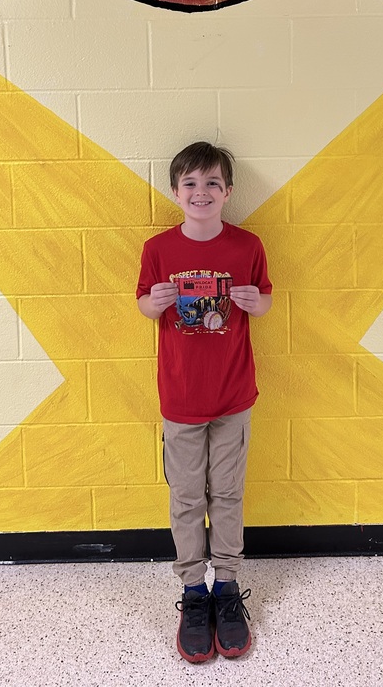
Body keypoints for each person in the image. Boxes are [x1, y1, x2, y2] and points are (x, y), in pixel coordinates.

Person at [136, 141, 272, 663]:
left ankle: (227, 587)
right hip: (181, 397)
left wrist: (251, 301)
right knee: (188, 499)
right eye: (190, 183)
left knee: (229, 495)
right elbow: (144, 303)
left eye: (212, 183)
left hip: (234, 395)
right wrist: (159, 302)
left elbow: (264, 300)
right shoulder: (159, 249)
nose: (201, 192)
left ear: (228, 192)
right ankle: (194, 592)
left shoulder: (247, 246)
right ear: (175, 191)